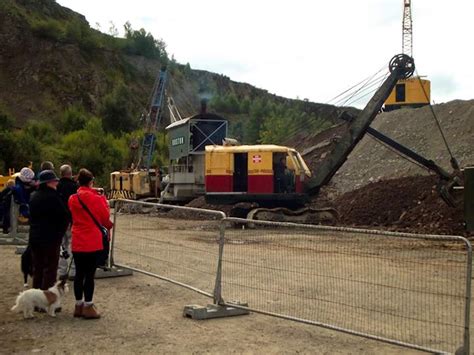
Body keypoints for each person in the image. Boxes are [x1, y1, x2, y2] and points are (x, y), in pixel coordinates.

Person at [69, 169, 113, 319]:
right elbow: (105, 218)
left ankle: (78, 304)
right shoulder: (97, 199)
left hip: (77, 240)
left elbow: (82, 195)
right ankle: (88, 305)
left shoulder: (73, 199)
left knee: (79, 273)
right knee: (89, 275)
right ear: (91, 181)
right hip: (92, 241)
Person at [28, 170, 69, 291]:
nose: (56, 183)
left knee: (38, 268)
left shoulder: (34, 196)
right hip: (51, 237)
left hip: (35, 236)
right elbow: (64, 216)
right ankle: (46, 300)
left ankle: (36, 298)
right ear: (48, 183)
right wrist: (60, 233)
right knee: (50, 269)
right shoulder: (53, 197)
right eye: (54, 181)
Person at [57, 164, 78, 280]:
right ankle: (73, 271)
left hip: (59, 221)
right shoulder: (74, 187)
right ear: (70, 174)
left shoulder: (56, 187)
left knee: (61, 247)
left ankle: (62, 271)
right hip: (71, 220)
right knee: (72, 245)